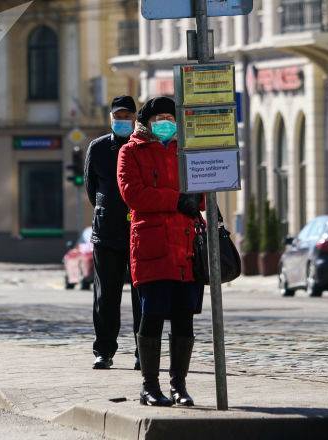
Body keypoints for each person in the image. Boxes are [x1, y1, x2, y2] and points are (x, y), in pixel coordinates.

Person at [117, 96, 204, 407]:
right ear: (147, 121)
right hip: (152, 247)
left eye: (170, 116)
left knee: (184, 318)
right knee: (152, 315)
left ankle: (179, 385)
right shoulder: (131, 150)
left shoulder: (184, 150)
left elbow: (201, 191)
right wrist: (176, 200)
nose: (166, 122)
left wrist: (199, 199)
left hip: (185, 248)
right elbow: (133, 193)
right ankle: (149, 386)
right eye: (159, 118)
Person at [84, 95, 142, 370]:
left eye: (127, 116)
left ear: (135, 118)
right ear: (111, 119)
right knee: (105, 296)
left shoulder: (142, 147)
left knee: (142, 296)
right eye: (117, 117)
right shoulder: (97, 148)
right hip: (106, 234)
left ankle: (144, 351)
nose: (122, 121)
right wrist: (106, 209)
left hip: (139, 232)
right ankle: (104, 351)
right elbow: (91, 188)